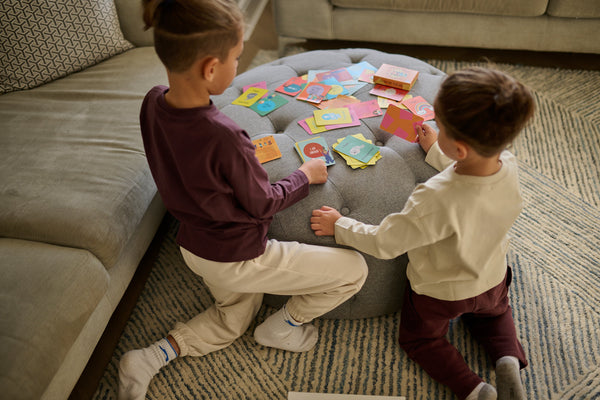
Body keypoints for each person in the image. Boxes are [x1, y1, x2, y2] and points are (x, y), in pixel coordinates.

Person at [118, 0, 368, 398]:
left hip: (194, 247)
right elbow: (263, 203)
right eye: (236, 57)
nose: (239, 64)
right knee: (355, 269)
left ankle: (151, 356)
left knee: (233, 319)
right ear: (210, 68)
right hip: (237, 256)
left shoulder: (153, 100)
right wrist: (305, 175)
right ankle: (283, 327)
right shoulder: (224, 135)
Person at [310, 67, 534, 400]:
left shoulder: (434, 197)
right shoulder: (508, 164)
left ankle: (474, 389)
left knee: (420, 340)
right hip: (491, 277)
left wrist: (340, 225)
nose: (435, 128)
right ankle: (507, 359)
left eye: (440, 126)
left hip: (439, 292)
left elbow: (385, 242)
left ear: (460, 149)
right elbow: (472, 178)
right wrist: (437, 151)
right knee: (497, 312)